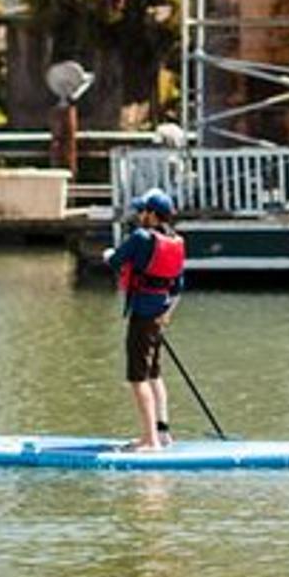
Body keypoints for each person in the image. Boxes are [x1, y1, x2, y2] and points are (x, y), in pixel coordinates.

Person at [103, 188, 186, 452]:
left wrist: (107, 255)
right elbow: (177, 287)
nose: (139, 215)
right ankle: (163, 434)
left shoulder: (140, 237)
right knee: (154, 374)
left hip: (142, 316)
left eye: (142, 211)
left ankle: (150, 441)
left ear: (152, 214)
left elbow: (115, 260)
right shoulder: (176, 241)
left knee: (137, 378)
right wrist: (166, 315)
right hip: (159, 314)